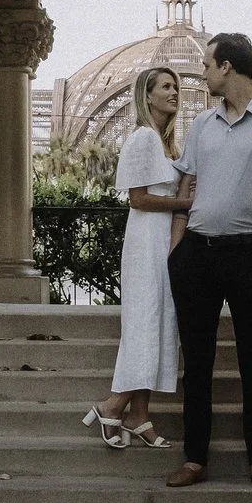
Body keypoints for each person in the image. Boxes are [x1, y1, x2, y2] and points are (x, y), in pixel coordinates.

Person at [165, 31, 252, 489]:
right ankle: (194, 458)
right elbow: (185, 187)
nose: (200, 72)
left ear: (227, 68)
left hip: (248, 255)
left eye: (206, 64)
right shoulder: (202, 124)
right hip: (196, 255)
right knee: (196, 363)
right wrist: (174, 251)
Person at [81, 66, 191, 447]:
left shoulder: (169, 144)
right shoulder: (142, 138)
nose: (174, 92)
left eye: (176, 85)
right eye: (166, 86)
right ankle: (113, 406)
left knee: (160, 323)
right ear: (147, 96)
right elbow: (138, 199)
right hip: (146, 239)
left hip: (165, 240)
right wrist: (186, 202)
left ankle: (140, 416)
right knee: (145, 323)